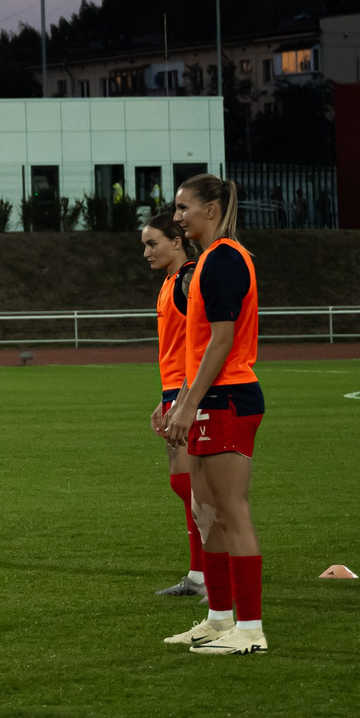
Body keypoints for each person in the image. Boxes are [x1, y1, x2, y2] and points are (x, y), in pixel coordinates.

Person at [157, 174, 268, 656]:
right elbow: (198, 347)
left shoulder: (224, 258)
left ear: (211, 209)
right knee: (206, 514)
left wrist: (188, 403)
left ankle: (251, 629)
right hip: (209, 397)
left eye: (184, 208)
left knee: (231, 510)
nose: (177, 217)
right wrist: (180, 400)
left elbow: (223, 343)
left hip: (228, 398)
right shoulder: (206, 261)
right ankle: (220, 619)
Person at [143, 211, 205, 599]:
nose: (146, 252)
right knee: (184, 485)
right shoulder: (170, 283)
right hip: (175, 394)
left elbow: (203, 344)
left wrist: (183, 397)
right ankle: (200, 573)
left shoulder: (188, 280)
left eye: (153, 243)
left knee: (198, 488)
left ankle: (209, 573)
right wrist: (164, 399)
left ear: (177, 242)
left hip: (190, 396)